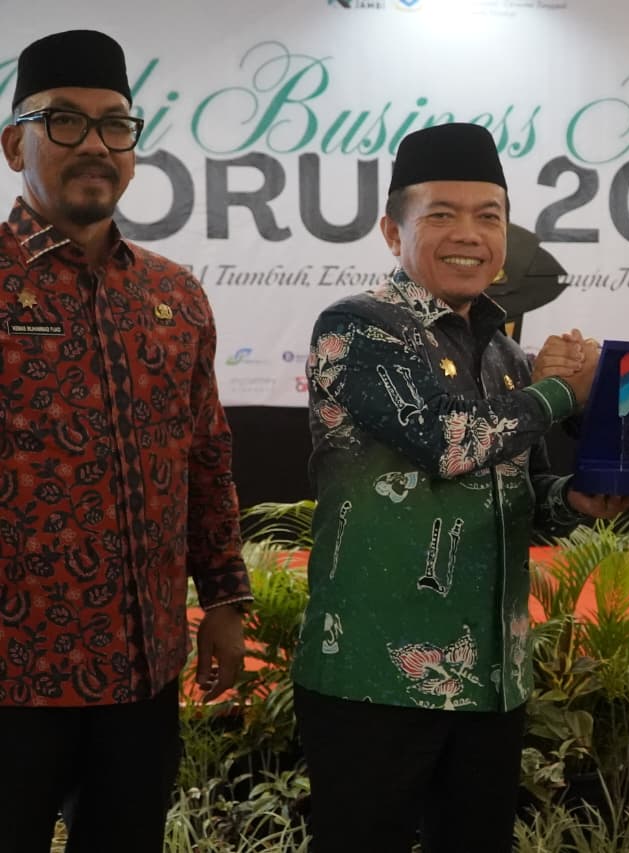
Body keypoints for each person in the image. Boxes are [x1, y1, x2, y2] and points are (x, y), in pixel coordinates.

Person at [292, 122, 628, 853]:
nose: (468, 234)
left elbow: (516, 491)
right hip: (373, 671)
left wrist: (572, 499)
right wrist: (560, 392)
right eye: (441, 214)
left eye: (489, 216)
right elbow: (451, 442)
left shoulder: (505, 352)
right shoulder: (357, 327)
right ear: (393, 231)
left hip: (490, 676)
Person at [0, 29, 252, 853]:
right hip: (11, 676)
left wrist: (224, 601)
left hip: (140, 672)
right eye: (64, 121)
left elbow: (206, 459)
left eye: (116, 125)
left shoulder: (173, 295)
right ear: (15, 146)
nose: (95, 144)